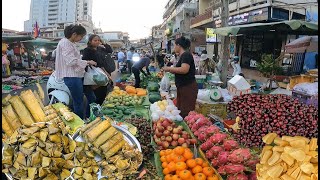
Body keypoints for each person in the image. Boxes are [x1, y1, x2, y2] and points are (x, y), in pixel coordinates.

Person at [55, 24, 97, 119]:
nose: (81, 38)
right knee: (78, 101)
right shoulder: (65, 43)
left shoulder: (71, 43)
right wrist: (87, 62)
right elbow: (71, 61)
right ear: (74, 34)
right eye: (81, 36)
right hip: (72, 76)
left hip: (78, 75)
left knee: (91, 97)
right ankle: (80, 123)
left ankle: (88, 116)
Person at [162, 36, 198, 118]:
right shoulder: (183, 56)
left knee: (186, 111)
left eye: (174, 45)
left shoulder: (186, 55)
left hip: (187, 87)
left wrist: (169, 69)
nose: (174, 47)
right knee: (181, 109)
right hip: (183, 87)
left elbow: (184, 69)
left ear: (179, 45)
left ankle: (187, 128)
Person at [82, 34, 116, 105]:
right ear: (90, 41)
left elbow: (110, 50)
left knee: (103, 91)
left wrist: (103, 42)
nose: (97, 42)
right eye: (95, 40)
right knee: (96, 94)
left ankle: (99, 108)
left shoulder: (100, 49)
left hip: (103, 72)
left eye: (98, 40)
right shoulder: (87, 50)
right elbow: (85, 61)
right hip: (95, 74)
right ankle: (93, 111)